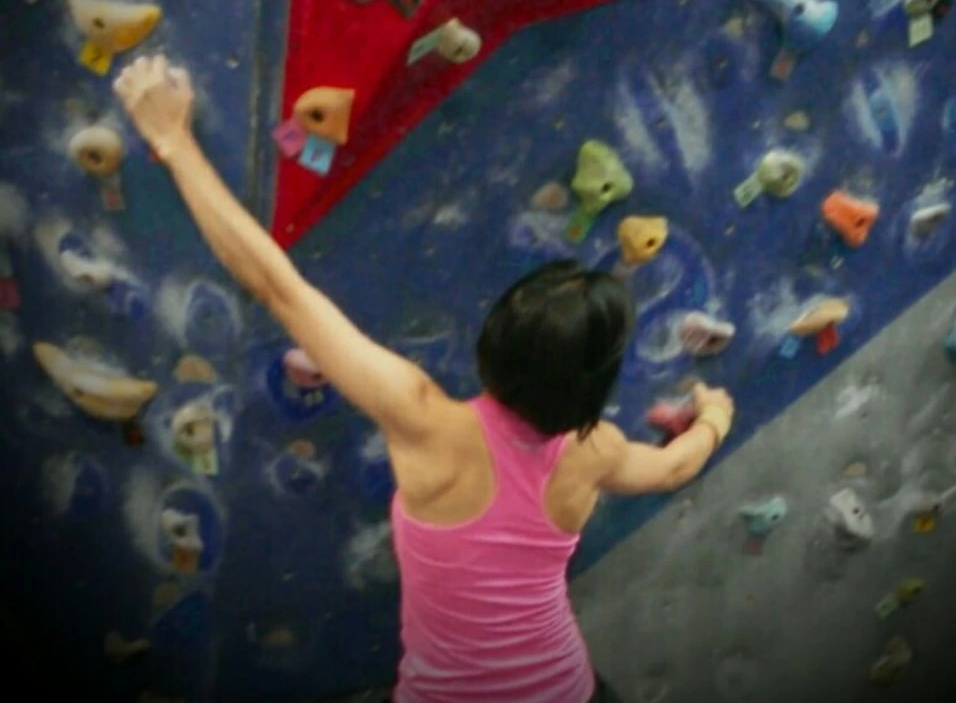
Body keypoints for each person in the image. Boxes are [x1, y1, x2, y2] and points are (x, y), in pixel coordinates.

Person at [113, 55, 736, 703]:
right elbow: (672, 467)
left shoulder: (425, 421)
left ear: (494, 343)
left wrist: (174, 141)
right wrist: (714, 414)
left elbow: (280, 288)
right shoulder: (594, 448)